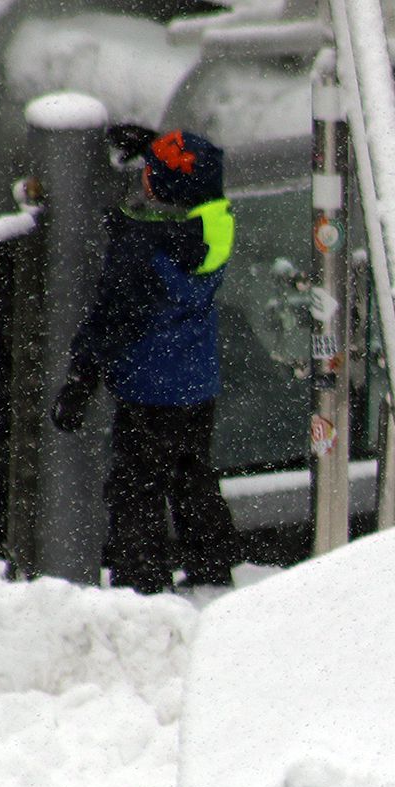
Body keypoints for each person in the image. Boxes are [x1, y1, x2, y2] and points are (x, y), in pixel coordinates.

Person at [50, 127, 239, 595]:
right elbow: (198, 183)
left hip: (148, 389)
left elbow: (111, 318)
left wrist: (80, 379)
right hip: (196, 384)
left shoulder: (143, 250)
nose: (143, 179)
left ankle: (142, 586)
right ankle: (213, 571)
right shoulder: (213, 226)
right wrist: (158, 147)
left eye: (150, 173)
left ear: (165, 188)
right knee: (192, 478)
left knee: (135, 489)